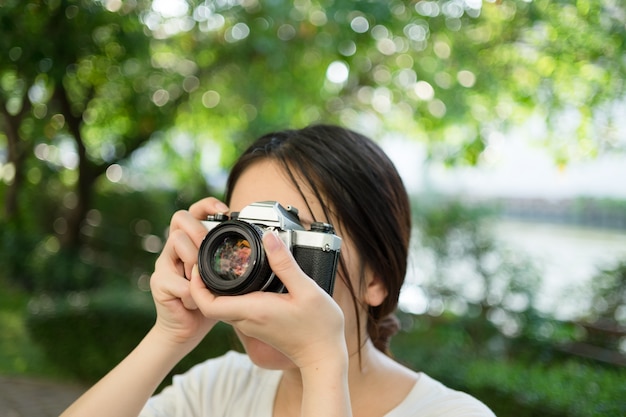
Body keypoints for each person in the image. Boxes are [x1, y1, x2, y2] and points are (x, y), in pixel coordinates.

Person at [61, 124, 495, 417]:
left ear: (376, 278)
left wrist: (322, 363)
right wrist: (170, 336)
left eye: (290, 243)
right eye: (242, 237)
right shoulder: (218, 388)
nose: (254, 270)